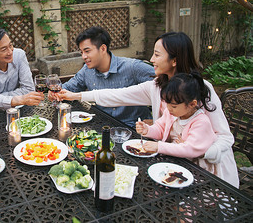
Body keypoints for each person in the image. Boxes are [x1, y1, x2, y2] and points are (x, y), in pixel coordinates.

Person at [58, 32, 239, 188]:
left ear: (174, 60)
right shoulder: (157, 86)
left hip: (209, 172)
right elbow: (117, 95)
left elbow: (225, 137)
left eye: (157, 55)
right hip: (169, 163)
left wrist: (201, 151)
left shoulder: (201, 89)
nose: (151, 59)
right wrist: (76, 96)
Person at [136, 72, 236, 181]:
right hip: (178, 162)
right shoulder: (172, 113)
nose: (168, 108)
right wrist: (148, 130)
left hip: (197, 170)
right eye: (167, 103)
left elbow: (189, 149)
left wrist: (159, 146)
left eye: (173, 106)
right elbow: (160, 129)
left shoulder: (200, 122)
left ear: (192, 104)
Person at [50, 26, 155, 127]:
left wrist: (157, 121)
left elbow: (167, 87)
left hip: (134, 129)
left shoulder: (133, 67)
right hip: (102, 126)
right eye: (81, 52)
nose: (84, 57)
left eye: (87, 51)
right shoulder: (87, 71)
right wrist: (57, 93)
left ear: (103, 48)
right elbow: (69, 87)